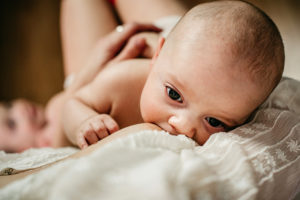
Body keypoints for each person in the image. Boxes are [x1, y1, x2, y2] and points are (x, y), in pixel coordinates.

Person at [62, 0, 285, 149]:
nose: (184, 126)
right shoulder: (121, 79)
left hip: (195, 60)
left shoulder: (233, 97)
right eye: (174, 95)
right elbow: (74, 101)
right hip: (178, 40)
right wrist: (85, 121)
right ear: (157, 56)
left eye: (213, 121)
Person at [0, 0, 162, 153]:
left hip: (107, 72)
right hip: (136, 71)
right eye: (12, 124)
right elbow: (67, 121)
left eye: (9, 106)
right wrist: (94, 66)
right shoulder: (52, 143)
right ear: (21, 153)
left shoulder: (51, 110)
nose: (20, 109)